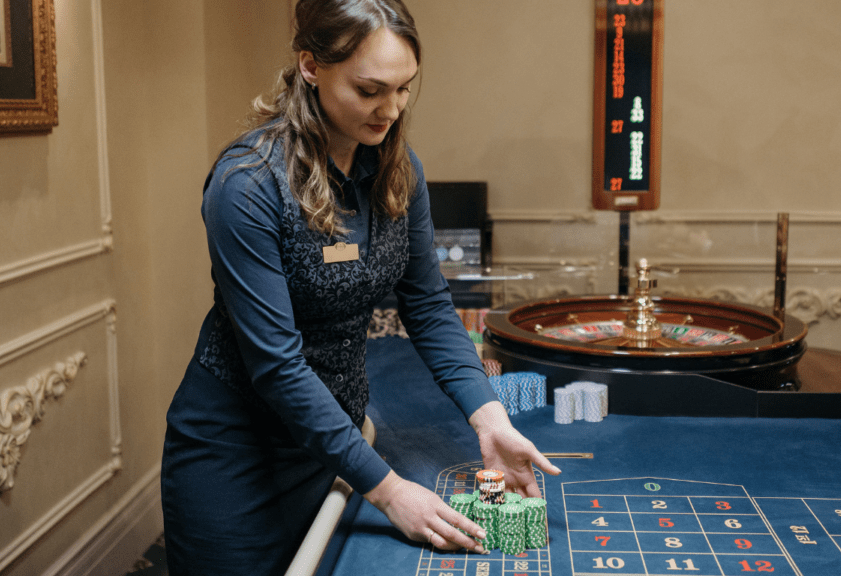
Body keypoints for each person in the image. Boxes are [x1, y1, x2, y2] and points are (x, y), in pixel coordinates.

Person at [160, 0, 560, 573]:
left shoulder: (400, 171)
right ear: (310, 66)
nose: (390, 110)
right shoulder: (246, 185)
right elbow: (277, 366)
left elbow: (428, 307)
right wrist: (389, 489)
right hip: (237, 457)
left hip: (334, 445)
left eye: (403, 89)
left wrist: (490, 418)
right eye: (370, 90)